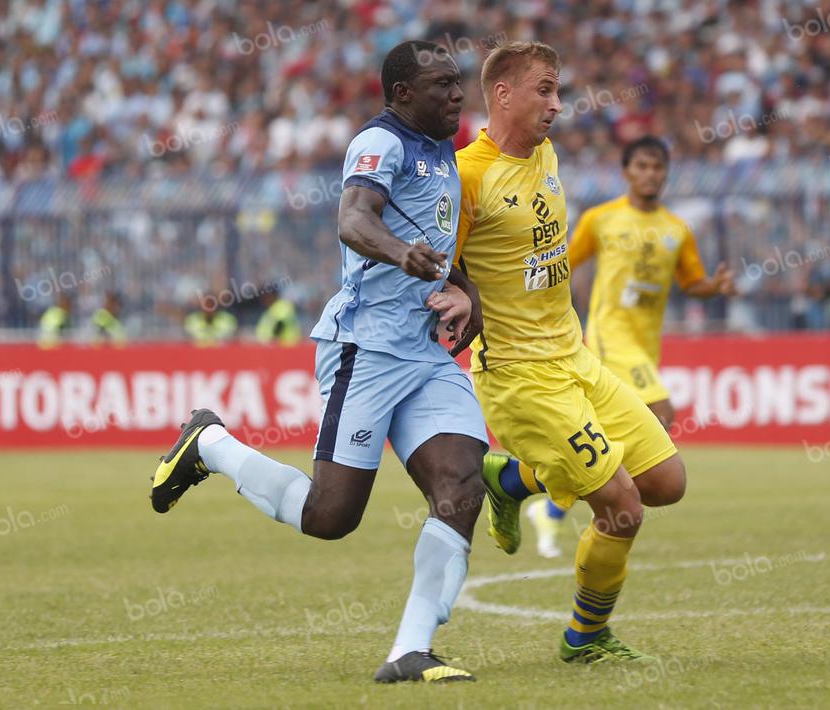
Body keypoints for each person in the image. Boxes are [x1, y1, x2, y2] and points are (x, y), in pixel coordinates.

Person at [148, 40, 489, 683]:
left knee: (461, 485)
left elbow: (445, 242)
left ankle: (409, 651)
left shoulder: (445, 149)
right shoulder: (379, 142)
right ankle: (211, 443)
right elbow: (354, 220)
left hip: (425, 352)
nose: (455, 94)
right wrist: (399, 254)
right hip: (367, 347)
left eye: (458, 82)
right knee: (330, 517)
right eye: (441, 84)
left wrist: (465, 296)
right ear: (401, 94)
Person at [458, 41, 687, 663]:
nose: (557, 105)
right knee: (622, 507)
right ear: (502, 95)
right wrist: (453, 306)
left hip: (576, 357)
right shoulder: (466, 180)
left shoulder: (546, 153)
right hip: (520, 376)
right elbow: (439, 274)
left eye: (558, 91)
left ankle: (509, 479)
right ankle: (585, 639)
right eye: (545, 91)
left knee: (667, 481)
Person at [523, 135, 735, 559]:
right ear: (626, 172)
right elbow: (563, 262)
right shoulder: (602, 219)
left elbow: (691, 283)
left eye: (657, 167)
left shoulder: (677, 230)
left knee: (604, 433)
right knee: (661, 414)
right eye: (641, 166)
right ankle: (593, 502)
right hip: (608, 336)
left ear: (665, 173)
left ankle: (547, 501)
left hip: (643, 345)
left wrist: (711, 287)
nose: (649, 174)